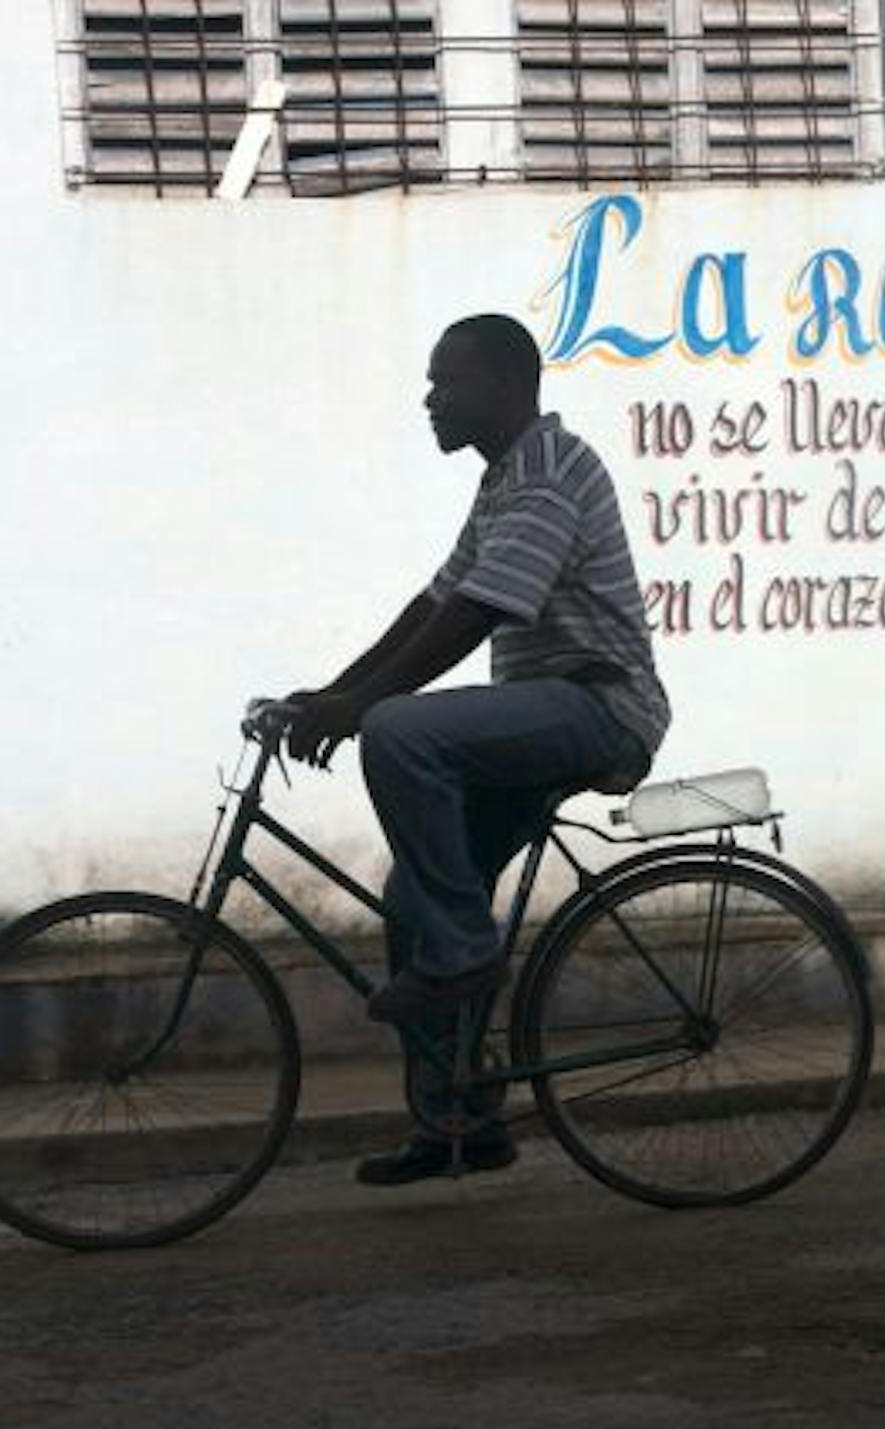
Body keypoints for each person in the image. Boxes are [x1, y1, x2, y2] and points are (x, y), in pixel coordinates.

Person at [284, 313, 671, 1184]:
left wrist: (363, 709)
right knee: (410, 891)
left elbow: (479, 612)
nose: (430, 398)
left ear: (503, 386)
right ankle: (461, 1125)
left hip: (598, 707)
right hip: (545, 709)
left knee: (397, 731)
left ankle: (462, 953)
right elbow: (433, 604)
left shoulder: (546, 477)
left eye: (445, 381)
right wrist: (334, 691)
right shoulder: (505, 480)